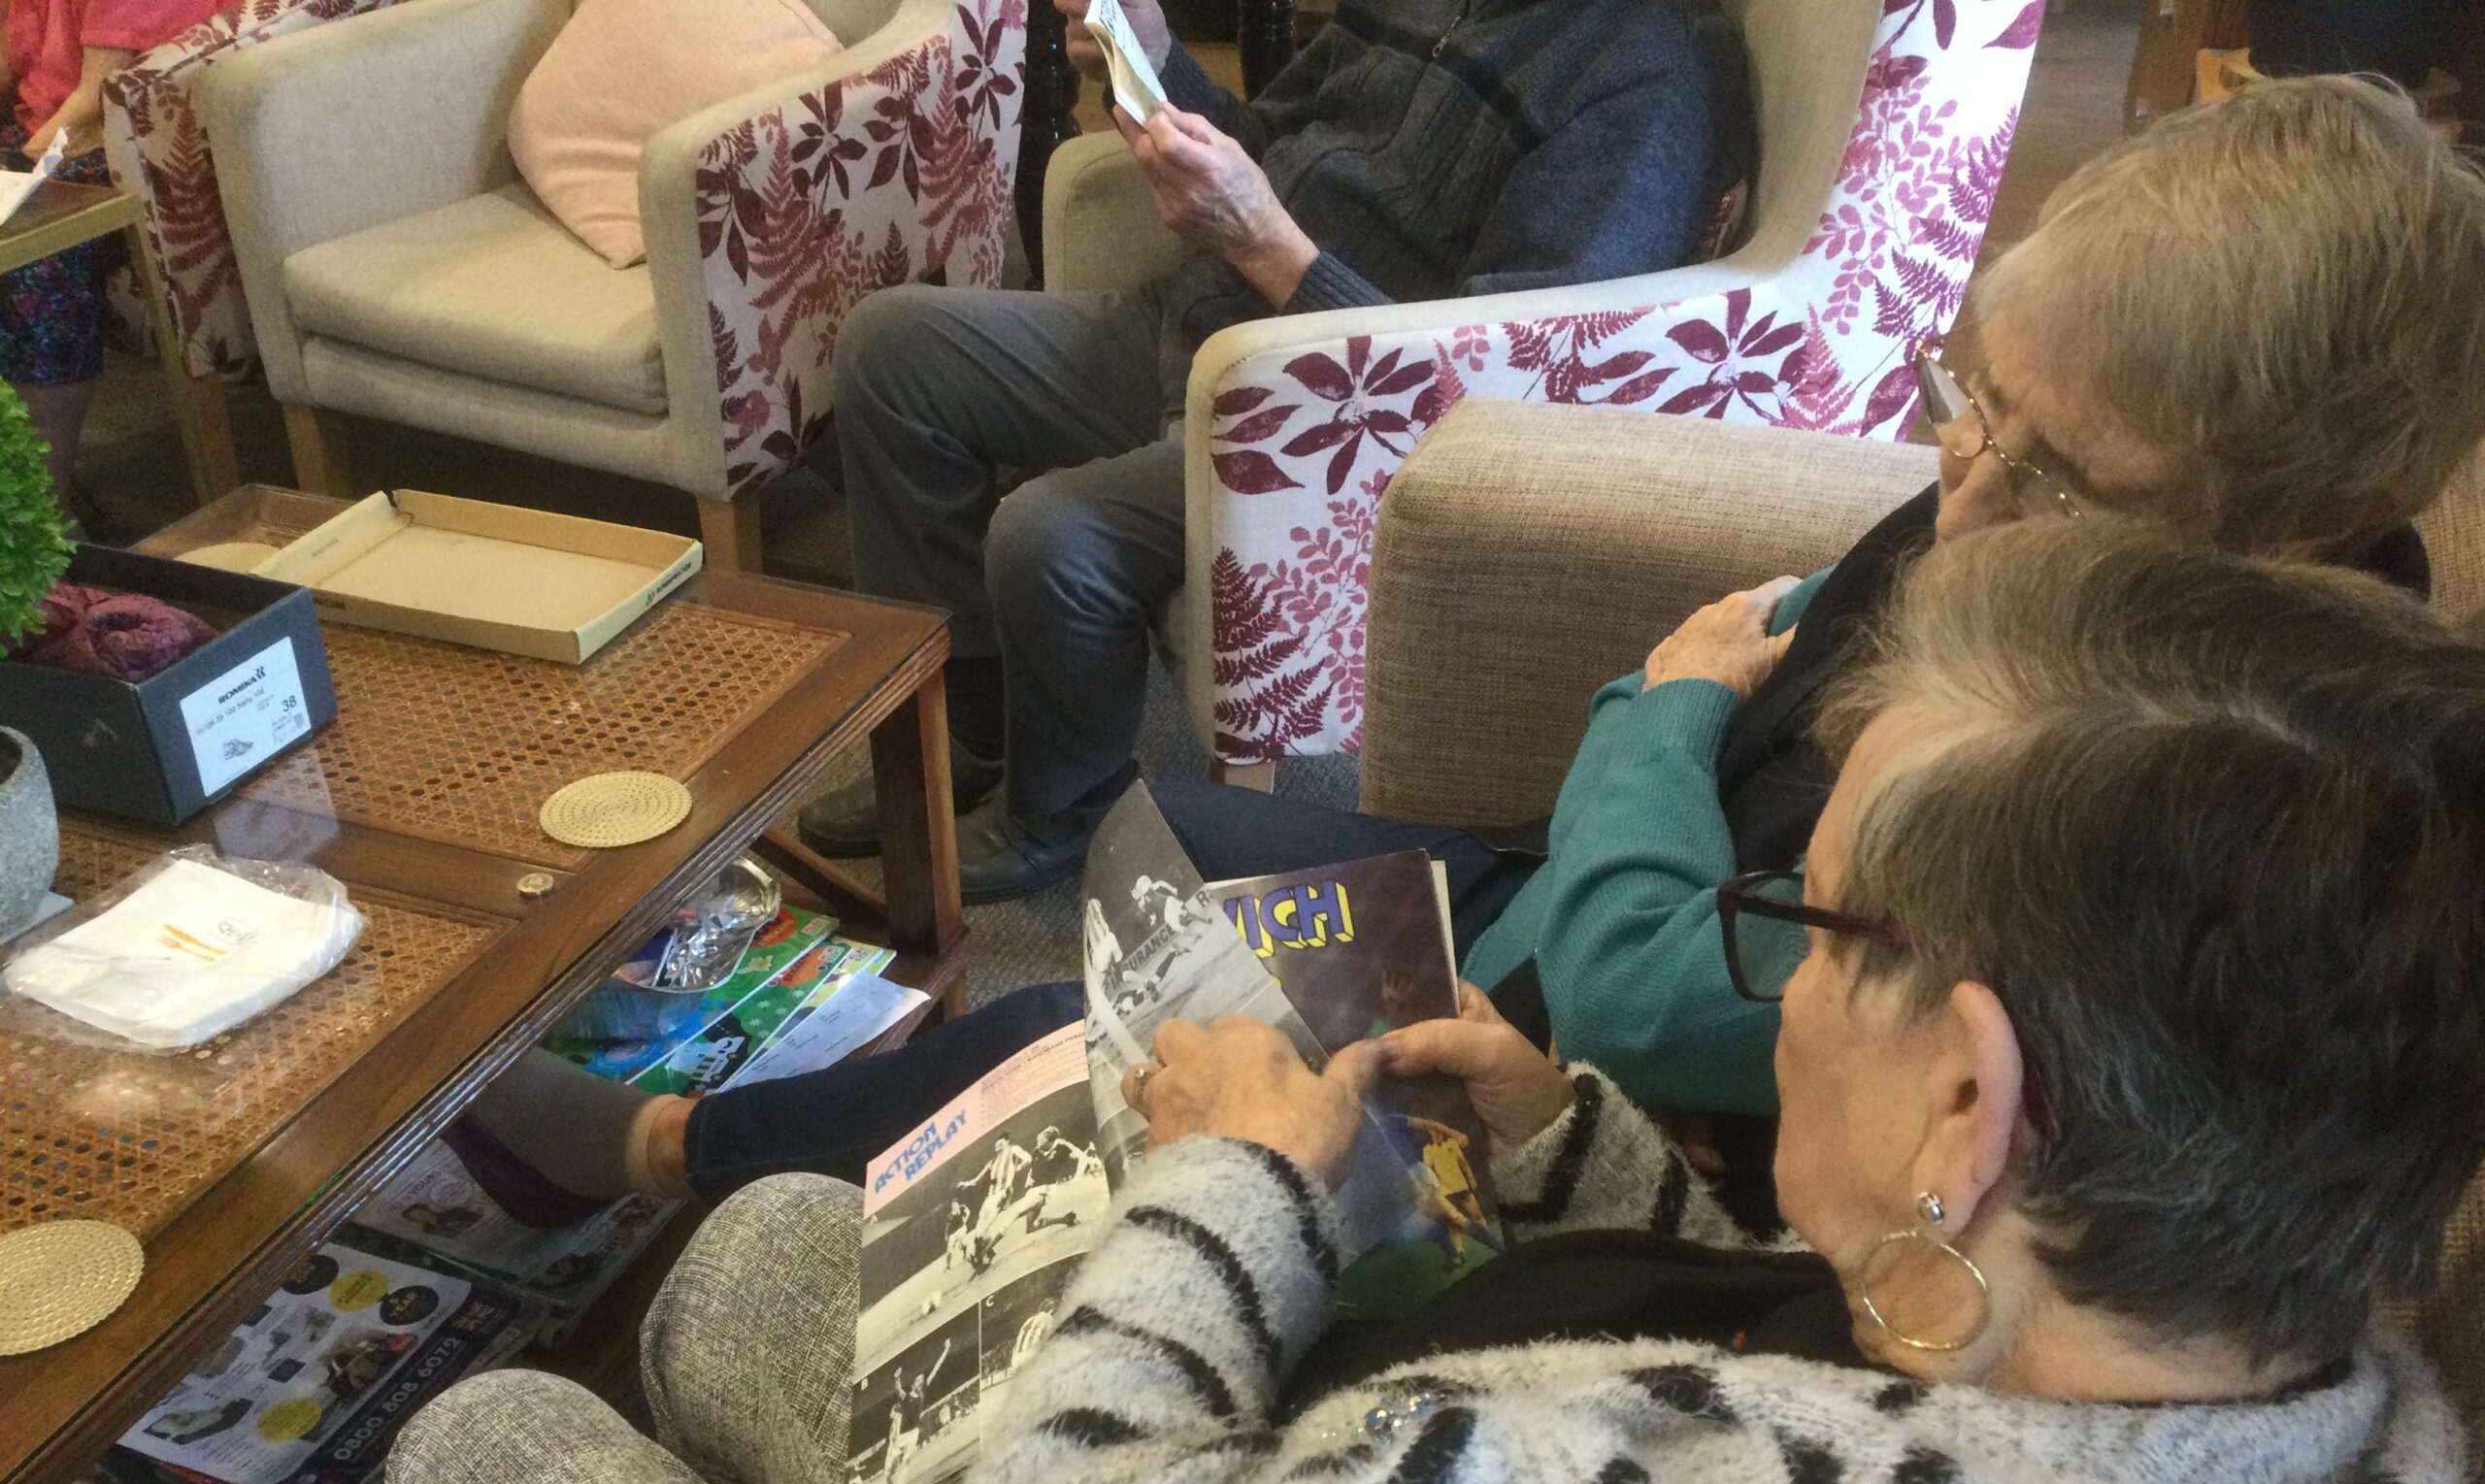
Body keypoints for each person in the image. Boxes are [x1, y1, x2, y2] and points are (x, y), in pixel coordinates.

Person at [385, 525, 2484, 1484]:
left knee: (478, 1452)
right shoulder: (2285, 1409)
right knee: (755, 1255)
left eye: (1816, 929)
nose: (1775, 992)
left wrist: (1221, 1201)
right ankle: (740, 1451)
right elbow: (1872, 1381)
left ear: (1965, 1094)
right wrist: (1581, 1152)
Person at [460, 73, 2485, 1233]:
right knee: (1151, 838)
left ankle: (674, 1155)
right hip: (1583, 892)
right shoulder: (2063, 540)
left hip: (1596, 1067)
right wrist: (1671, 718)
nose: (1965, 494)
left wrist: (1657, 721)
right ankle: (881, 1107)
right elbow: (1765, 649)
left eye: (2066, 471)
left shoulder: (2181, 763)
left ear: (2291, 523)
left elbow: (1653, 967)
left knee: (1076, 1035)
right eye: (1975, 402)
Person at [797, 0, 1754, 899]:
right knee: (893, 351)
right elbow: (1273, 141)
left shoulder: (1648, 75)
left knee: (1052, 535)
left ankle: (1062, 810)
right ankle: (972, 730)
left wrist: (1265, 242)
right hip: (1203, 324)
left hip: (1331, 424)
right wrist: (1156, 61)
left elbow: (1491, 394)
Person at [0, 0, 224, 510]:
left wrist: (17, 176)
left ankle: (39, 513)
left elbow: (91, 104)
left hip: (123, 140)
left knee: (38, 258)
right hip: (44, 127)